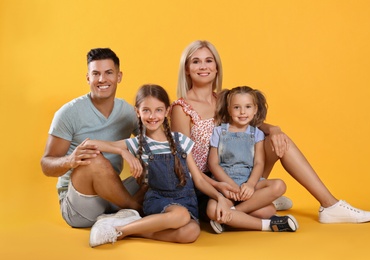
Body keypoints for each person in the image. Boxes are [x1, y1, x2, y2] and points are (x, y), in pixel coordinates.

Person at [171, 40, 370, 224]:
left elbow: (249, 122)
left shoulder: (223, 100)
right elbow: (185, 164)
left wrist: (275, 130)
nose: (203, 66)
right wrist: (219, 186)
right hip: (208, 182)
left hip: (241, 173)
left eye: (209, 60)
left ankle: (330, 205)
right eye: (196, 62)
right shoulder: (182, 108)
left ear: (216, 67)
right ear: (187, 69)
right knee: (266, 212)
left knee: (280, 141)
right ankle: (256, 202)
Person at [87, 84, 233, 247]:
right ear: (137, 112)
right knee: (182, 216)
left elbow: (198, 179)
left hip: (187, 200)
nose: (152, 116)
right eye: (146, 110)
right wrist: (123, 152)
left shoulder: (181, 140)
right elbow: (91, 144)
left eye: (158, 110)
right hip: (158, 199)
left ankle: (135, 228)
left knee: (191, 232)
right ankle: (118, 230)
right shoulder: (139, 143)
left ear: (167, 111)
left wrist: (219, 197)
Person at [40, 48, 146, 228]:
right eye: (96, 74)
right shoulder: (69, 113)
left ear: (119, 76)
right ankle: (138, 212)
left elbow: (152, 142)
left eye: (109, 73)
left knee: (162, 165)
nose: (102, 79)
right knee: (93, 157)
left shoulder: (128, 112)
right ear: (88, 78)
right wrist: (70, 160)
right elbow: (46, 165)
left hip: (112, 195)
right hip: (80, 205)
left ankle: (118, 219)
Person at [207, 86, 299, 233]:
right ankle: (264, 225)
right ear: (229, 109)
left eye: (248, 107)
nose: (243, 112)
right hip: (225, 185)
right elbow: (213, 164)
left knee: (277, 191)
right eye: (237, 107)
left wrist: (249, 185)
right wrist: (231, 186)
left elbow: (259, 163)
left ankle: (231, 214)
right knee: (212, 210)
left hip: (249, 184)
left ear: (255, 109)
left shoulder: (256, 133)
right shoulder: (219, 131)